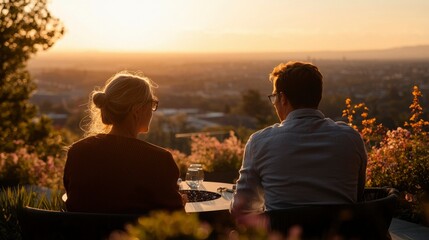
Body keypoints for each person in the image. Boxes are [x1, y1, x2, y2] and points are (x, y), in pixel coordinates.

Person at [230, 61, 367, 216]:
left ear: (282, 98)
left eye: (274, 97)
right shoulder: (350, 139)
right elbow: (358, 197)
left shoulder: (259, 143)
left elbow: (241, 209)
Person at [63, 71, 184, 214]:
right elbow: (176, 220)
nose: (153, 111)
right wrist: (180, 203)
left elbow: (75, 200)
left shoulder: (77, 152)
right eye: (152, 104)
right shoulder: (159, 160)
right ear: (137, 110)